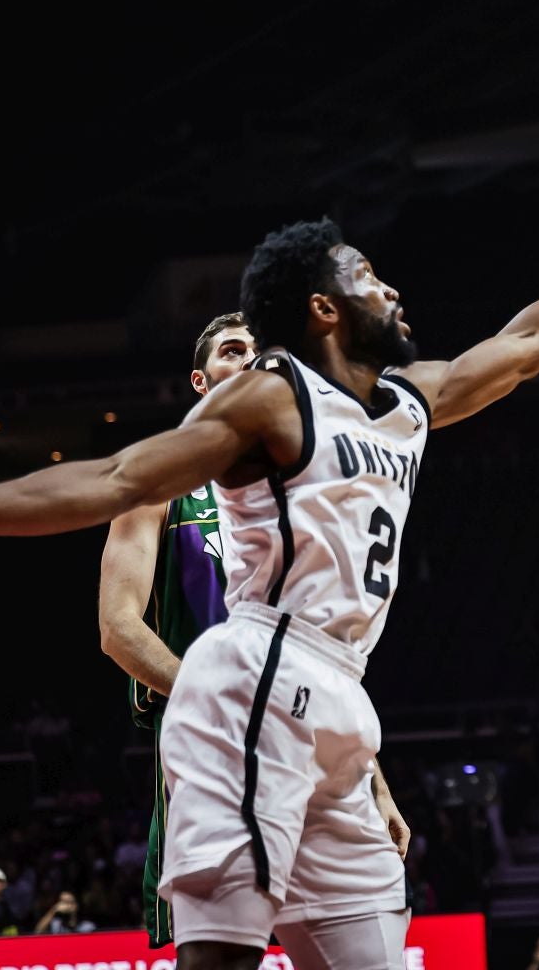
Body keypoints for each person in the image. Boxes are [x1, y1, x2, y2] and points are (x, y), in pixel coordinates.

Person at [0, 190, 539, 970]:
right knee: (223, 953)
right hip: (257, 673)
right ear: (324, 308)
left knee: (372, 949)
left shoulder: (406, 402)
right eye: (365, 278)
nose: (388, 288)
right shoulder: (269, 402)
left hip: (343, 696)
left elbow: (528, 345)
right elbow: (117, 479)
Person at [99, 313, 410, 948]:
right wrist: (227, 697)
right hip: (213, 741)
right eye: (230, 351)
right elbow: (118, 628)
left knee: (341, 937)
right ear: (199, 379)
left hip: (311, 736)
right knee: (223, 952)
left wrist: (372, 776)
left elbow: (324, 652)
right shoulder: (164, 484)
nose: (248, 361)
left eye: (257, 351)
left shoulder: (304, 486)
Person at [33, 891, 98, 935]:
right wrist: (53, 910)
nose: (66, 906)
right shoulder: (56, 924)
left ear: (76, 905)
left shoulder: (88, 927)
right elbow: (38, 931)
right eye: (63, 902)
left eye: (69, 902)